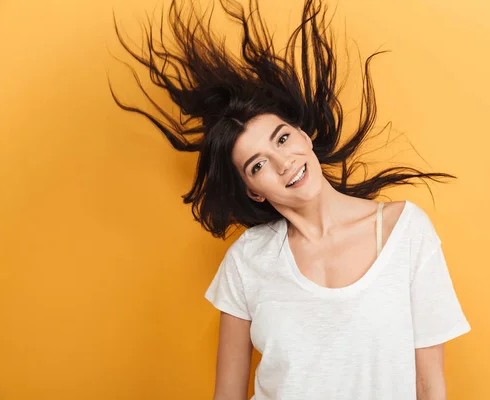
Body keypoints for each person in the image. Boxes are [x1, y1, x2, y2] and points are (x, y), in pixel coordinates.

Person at [111, 0, 471, 398]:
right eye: (257, 165)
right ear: (252, 189)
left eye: (282, 138)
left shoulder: (405, 232)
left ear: (303, 135)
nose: (283, 163)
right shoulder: (248, 260)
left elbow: (428, 384)